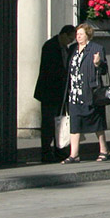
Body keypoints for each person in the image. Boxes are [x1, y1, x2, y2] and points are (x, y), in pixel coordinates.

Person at [62, 23, 110, 163]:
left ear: (88, 35)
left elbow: (104, 70)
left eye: (81, 34)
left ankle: (104, 149)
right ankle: (74, 154)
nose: (78, 36)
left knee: (97, 123)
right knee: (75, 123)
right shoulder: (72, 49)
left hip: (90, 92)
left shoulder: (96, 48)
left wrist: (97, 64)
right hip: (75, 92)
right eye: (77, 34)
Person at [34, 24, 75, 163]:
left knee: (59, 122)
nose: (71, 41)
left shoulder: (65, 48)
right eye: (70, 38)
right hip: (49, 91)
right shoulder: (50, 46)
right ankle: (46, 151)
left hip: (60, 92)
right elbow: (50, 69)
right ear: (64, 35)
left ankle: (59, 149)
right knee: (48, 123)